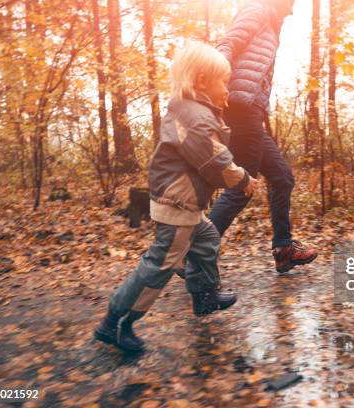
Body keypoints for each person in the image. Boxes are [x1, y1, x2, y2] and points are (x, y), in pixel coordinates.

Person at [94, 41, 260, 352]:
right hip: (178, 203)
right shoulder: (195, 118)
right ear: (201, 82)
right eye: (223, 81)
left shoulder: (192, 112)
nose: (227, 87)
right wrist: (244, 181)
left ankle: (205, 295)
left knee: (207, 237)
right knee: (160, 264)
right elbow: (217, 163)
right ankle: (116, 322)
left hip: (185, 204)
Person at [207, 0, 317, 273]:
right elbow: (228, 43)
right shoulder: (256, 9)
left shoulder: (272, 20)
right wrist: (214, 87)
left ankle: (283, 249)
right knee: (241, 188)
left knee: (281, 176)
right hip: (239, 106)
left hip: (250, 108)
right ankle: (192, 251)